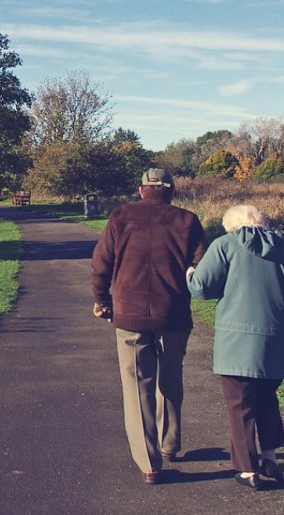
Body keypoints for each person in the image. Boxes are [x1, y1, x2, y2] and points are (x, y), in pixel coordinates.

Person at [186, 204, 284, 490]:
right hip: (276, 342)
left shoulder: (225, 246)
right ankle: (270, 457)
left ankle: (247, 469)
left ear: (232, 227)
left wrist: (189, 272)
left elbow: (201, 288)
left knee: (240, 404)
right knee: (266, 397)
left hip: (235, 343)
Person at [90, 168, 206, 484]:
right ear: (171, 191)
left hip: (129, 315)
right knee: (171, 379)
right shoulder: (187, 220)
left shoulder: (120, 217)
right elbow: (202, 266)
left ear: (142, 190)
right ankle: (169, 444)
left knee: (137, 386)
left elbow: (101, 263)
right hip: (174, 315)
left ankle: (149, 463)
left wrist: (102, 300)